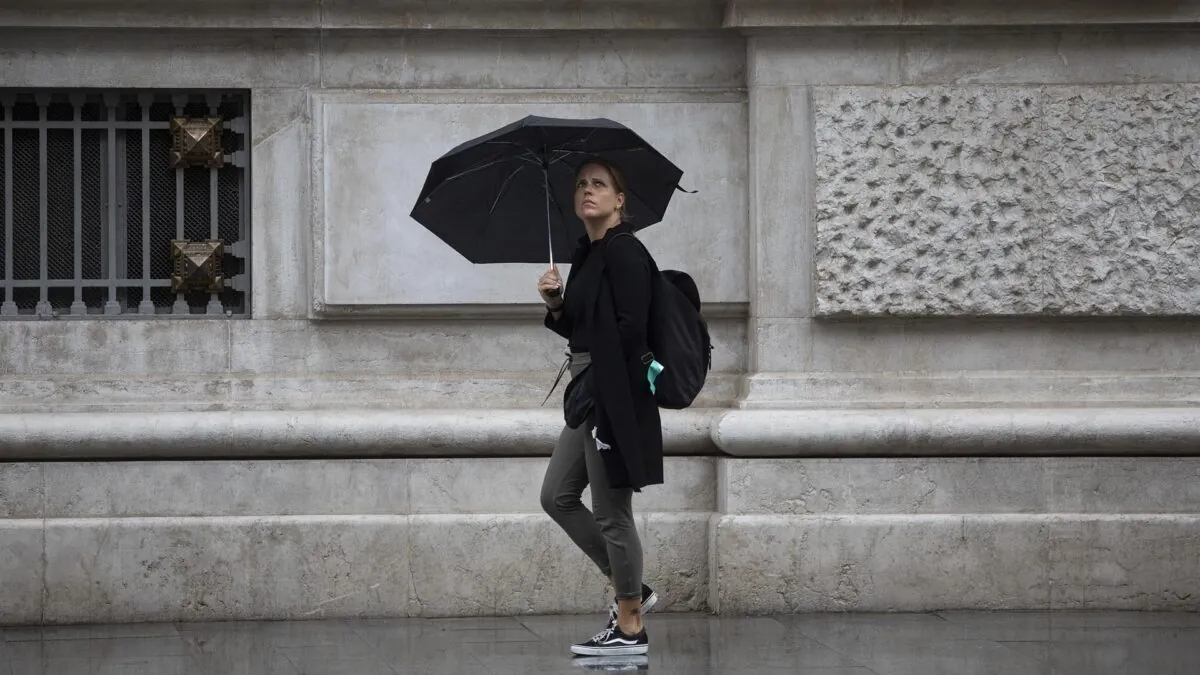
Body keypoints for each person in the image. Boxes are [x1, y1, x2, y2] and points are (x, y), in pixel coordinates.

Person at [537, 158, 664, 657]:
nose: (587, 191)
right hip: (587, 389)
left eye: (599, 184)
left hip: (612, 391)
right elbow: (583, 330)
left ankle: (631, 624)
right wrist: (556, 304)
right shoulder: (586, 256)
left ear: (619, 200)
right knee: (557, 496)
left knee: (613, 512)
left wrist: (611, 399)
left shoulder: (625, 252)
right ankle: (631, 584)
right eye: (581, 184)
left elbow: (634, 331)